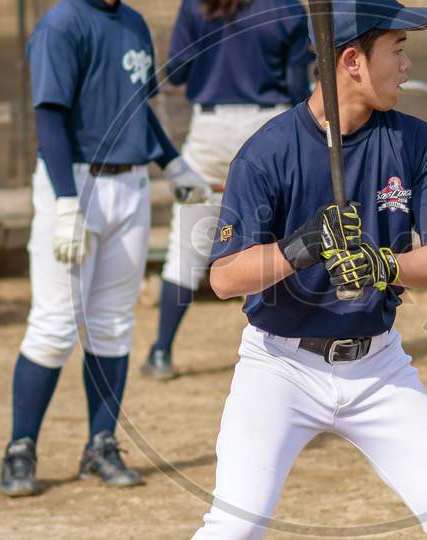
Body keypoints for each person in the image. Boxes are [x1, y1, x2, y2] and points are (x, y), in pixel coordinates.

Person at [191, 0, 427, 538]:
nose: (407, 65)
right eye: (397, 51)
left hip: (379, 369)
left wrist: (384, 265)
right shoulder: (266, 153)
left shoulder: (415, 141)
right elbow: (223, 277)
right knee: (234, 528)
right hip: (280, 368)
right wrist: (300, 248)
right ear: (353, 60)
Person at [0, 0, 208, 497]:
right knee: (54, 325)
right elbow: (49, 117)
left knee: (113, 324)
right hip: (73, 182)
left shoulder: (133, 21)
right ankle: (20, 447)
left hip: (130, 186)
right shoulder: (62, 23)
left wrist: (173, 164)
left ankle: (100, 443)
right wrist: (67, 204)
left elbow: (137, 108)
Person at [141, 0, 313, 379]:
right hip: (270, 125)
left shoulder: (198, 4)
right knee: (280, 240)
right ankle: (290, 347)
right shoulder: (287, 7)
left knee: (186, 244)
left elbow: (179, 72)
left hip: (210, 130)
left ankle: (161, 352)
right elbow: (299, 83)